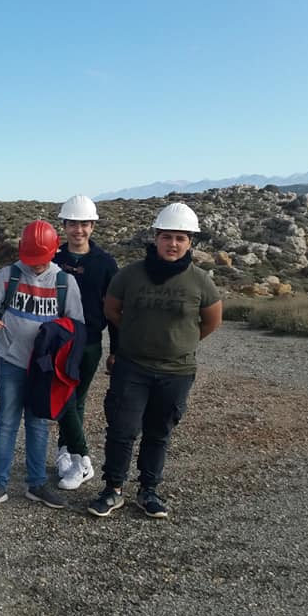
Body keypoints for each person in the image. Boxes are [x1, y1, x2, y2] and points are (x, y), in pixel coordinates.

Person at [88, 203, 222, 519]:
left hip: (176, 372)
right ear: (156, 238)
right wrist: (137, 336)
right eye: (166, 237)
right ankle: (113, 489)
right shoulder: (130, 275)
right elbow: (112, 310)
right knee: (122, 429)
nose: (172, 244)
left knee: (158, 432)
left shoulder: (200, 281)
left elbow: (211, 321)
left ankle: (149, 490)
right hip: (132, 367)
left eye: (180, 238)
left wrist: (181, 343)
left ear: (189, 242)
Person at [0, 220, 84, 510]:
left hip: (44, 369)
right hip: (11, 361)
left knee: (38, 423)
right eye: (31, 259)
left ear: (54, 251)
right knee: (7, 422)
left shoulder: (65, 282)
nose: (36, 265)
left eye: (41, 259)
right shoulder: (9, 275)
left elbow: (76, 325)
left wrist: (59, 349)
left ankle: (37, 484)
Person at [52, 195, 119, 490]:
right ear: (64, 225)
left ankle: (80, 459)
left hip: (89, 341)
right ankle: (68, 452)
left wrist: (116, 350)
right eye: (72, 224)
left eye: (84, 224)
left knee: (73, 399)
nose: (78, 230)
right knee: (64, 398)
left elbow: (114, 310)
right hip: (56, 341)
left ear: (92, 226)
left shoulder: (105, 263)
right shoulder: (54, 259)